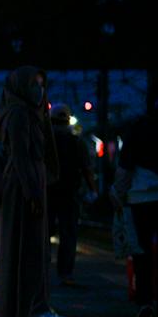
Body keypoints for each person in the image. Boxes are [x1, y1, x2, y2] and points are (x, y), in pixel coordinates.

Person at [0, 66, 65, 317]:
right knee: (33, 249)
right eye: (34, 84)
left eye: (42, 84)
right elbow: (22, 156)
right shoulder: (19, 114)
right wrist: (33, 193)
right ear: (22, 87)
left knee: (20, 248)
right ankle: (34, 309)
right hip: (26, 186)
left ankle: (16, 308)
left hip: (24, 185)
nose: (40, 90)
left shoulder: (22, 112)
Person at [119, 92, 158, 317]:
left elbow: (125, 166)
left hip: (140, 198)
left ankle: (145, 302)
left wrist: (118, 193)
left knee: (142, 253)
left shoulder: (137, 129)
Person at [47, 106, 96, 286]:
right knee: (68, 234)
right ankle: (65, 273)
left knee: (43, 233)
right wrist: (93, 190)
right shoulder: (77, 142)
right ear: (68, 121)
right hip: (70, 193)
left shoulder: (45, 141)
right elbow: (87, 169)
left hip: (47, 193)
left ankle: (41, 271)